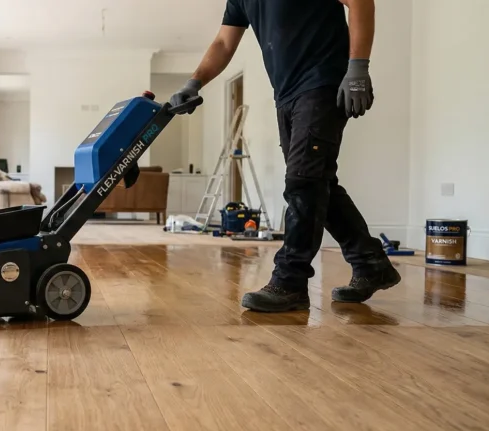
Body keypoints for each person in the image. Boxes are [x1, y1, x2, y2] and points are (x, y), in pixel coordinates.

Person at [169, 0, 400, 313]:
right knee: (319, 185)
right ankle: (372, 264)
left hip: (323, 82)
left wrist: (358, 68)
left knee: (303, 182)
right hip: (287, 95)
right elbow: (224, 42)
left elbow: (360, 2)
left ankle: (290, 282)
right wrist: (194, 81)